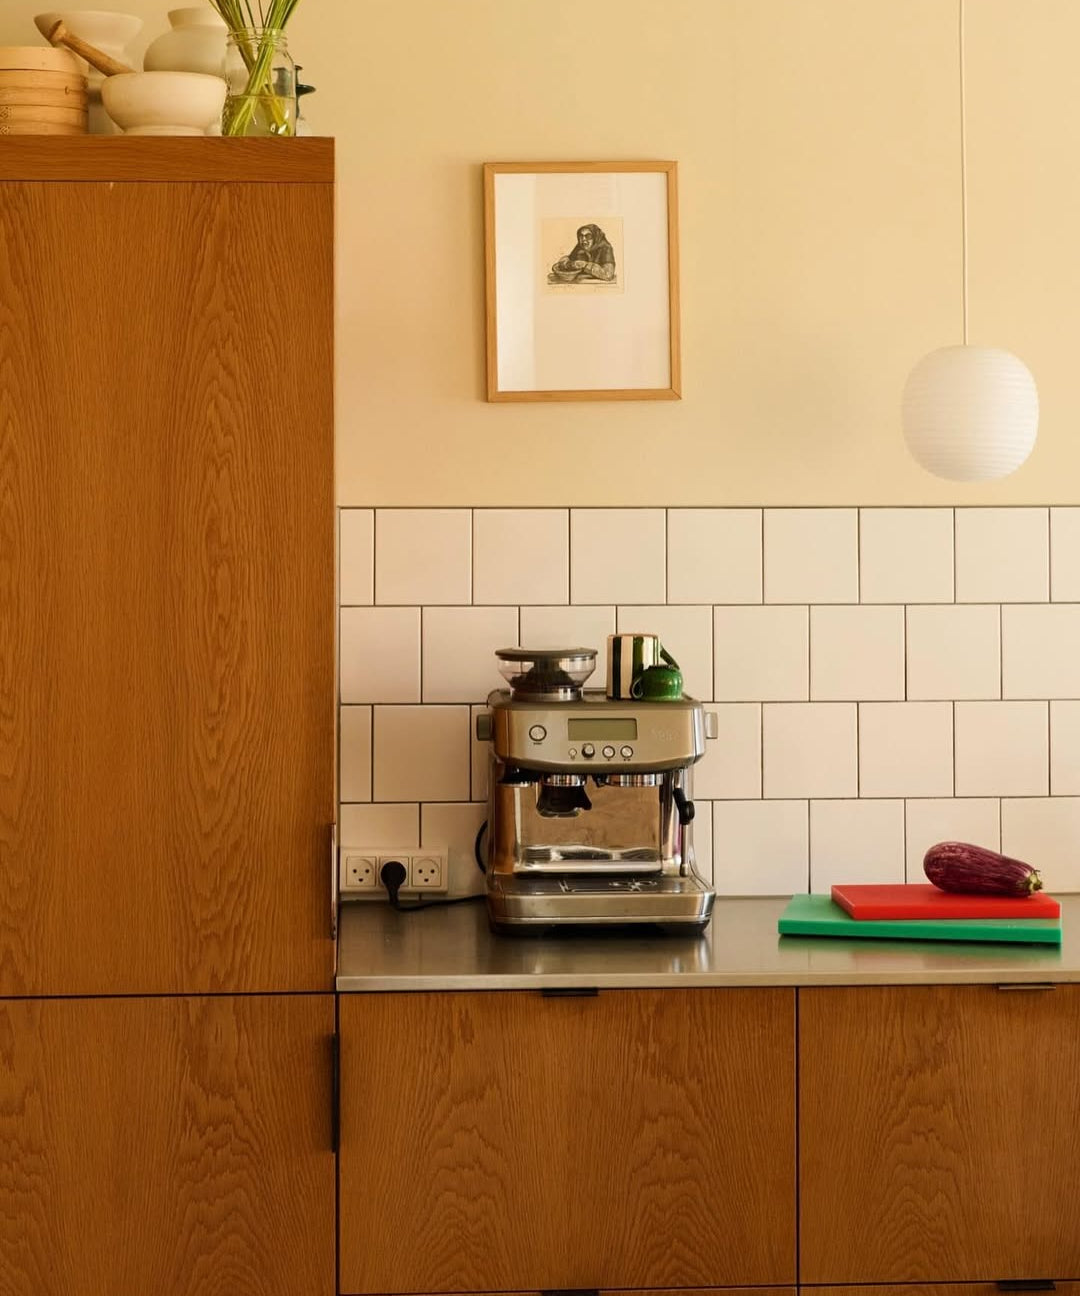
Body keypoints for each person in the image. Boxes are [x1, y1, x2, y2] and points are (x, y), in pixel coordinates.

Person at [549, 223, 616, 282]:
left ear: (595, 237)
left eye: (588, 236)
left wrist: (584, 265)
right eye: (581, 236)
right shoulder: (581, 246)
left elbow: (608, 274)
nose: (583, 239)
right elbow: (571, 259)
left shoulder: (606, 248)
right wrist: (564, 261)